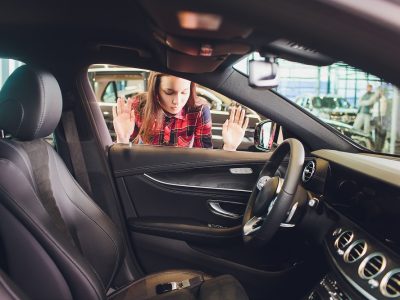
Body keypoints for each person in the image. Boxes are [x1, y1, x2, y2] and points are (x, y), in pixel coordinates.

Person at [112, 72, 249, 151]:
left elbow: (204, 159)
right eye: (169, 92)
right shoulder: (139, 106)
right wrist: (122, 138)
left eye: (184, 92)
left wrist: (229, 147)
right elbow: (124, 161)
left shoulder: (199, 110)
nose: (177, 101)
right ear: (156, 90)